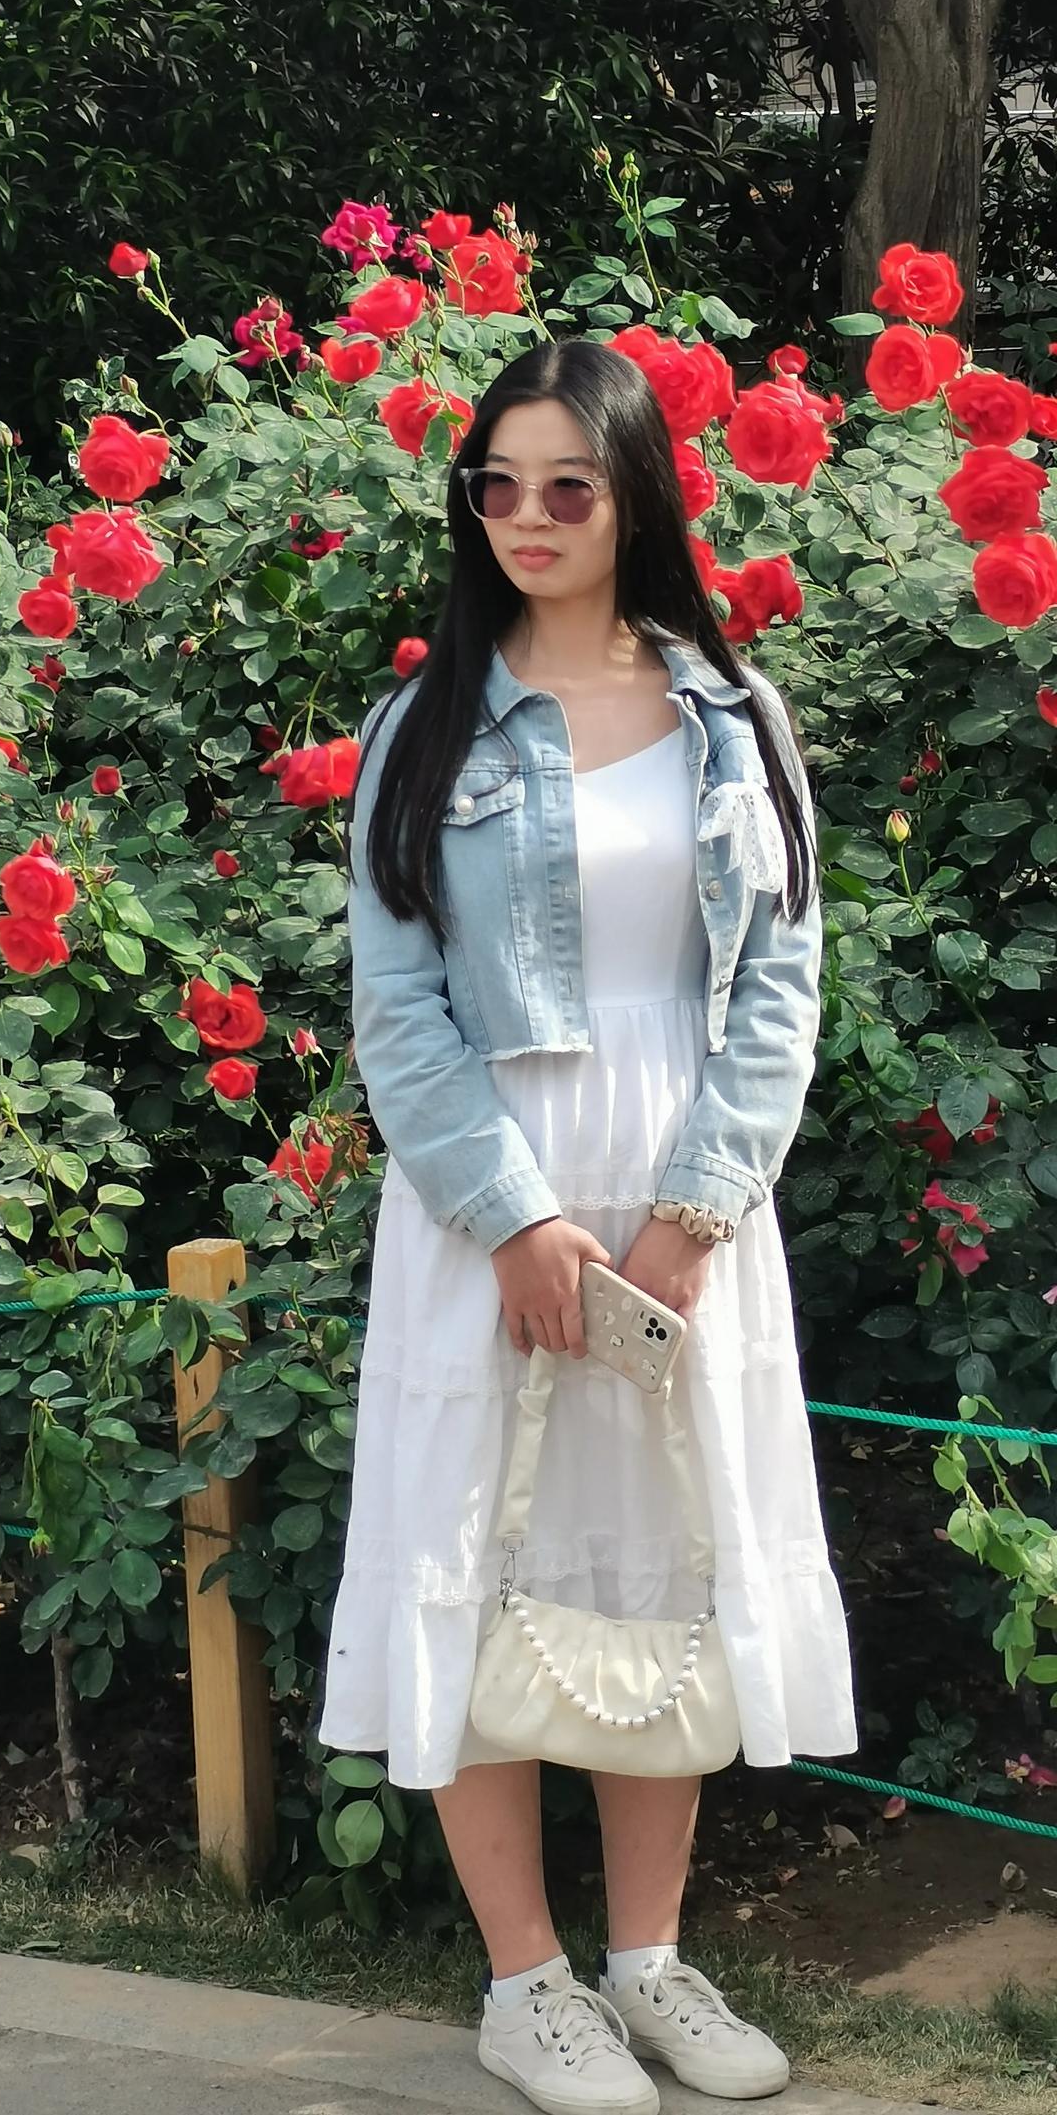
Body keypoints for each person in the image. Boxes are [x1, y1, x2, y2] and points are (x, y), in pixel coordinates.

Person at [318, 335, 857, 2114]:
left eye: (569, 483)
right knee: (476, 1557)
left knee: (660, 1566)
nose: (529, 514)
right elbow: (399, 1010)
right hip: (490, 1202)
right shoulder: (424, 727)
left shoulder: (735, 713)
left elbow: (779, 984)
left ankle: (647, 1961)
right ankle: (526, 1984)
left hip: (688, 1196)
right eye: (498, 483)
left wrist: (697, 1210)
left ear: (634, 495)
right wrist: (517, 1222)